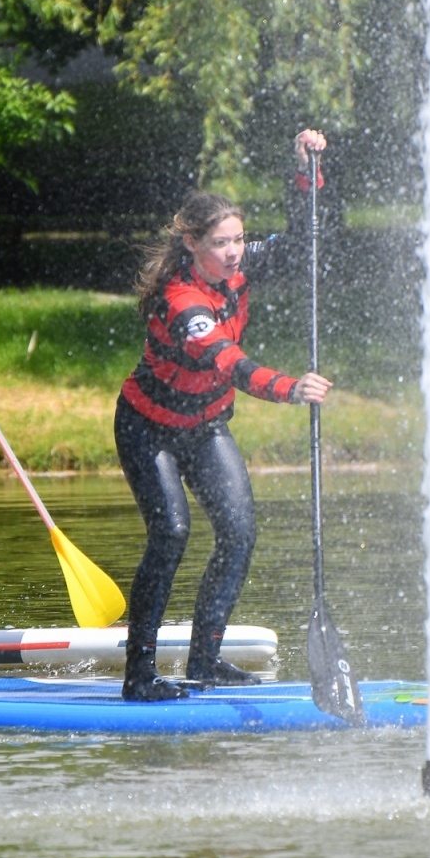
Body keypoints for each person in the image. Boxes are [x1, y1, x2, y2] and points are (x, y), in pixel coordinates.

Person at [117, 130, 333, 701]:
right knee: (172, 533)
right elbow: (227, 361)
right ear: (192, 243)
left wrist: (305, 172)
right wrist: (290, 389)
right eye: (221, 243)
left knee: (238, 534)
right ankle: (139, 676)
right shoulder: (182, 300)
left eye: (238, 239)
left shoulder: (236, 267)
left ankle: (205, 661)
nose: (234, 251)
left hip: (205, 425)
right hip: (148, 429)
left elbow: (302, 245)